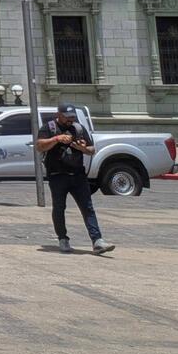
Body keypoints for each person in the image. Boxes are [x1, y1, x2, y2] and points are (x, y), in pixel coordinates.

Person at [35, 102, 115, 255]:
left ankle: (97, 241)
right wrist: (56, 139)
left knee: (87, 208)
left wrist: (82, 148)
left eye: (72, 117)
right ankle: (63, 239)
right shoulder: (49, 128)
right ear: (58, 115)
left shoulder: (78, 128)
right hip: (57, 176)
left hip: (78, 175)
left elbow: (91, 150)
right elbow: (39, 146)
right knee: (59, 208)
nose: (70, 120)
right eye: (66, 118)